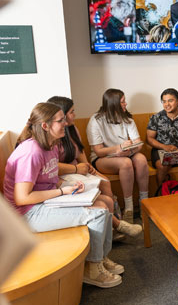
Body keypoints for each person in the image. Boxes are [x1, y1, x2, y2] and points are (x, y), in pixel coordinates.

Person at [3, 102, 123, 288]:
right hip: (26, 213)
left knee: (104, 203)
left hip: (42, 201)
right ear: (45, 126)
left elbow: (47, 177)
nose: (66, 123)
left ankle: (100, 259)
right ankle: (93, 269)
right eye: (61, 121)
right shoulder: (31, 152)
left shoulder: (51, 145)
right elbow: (22, 198)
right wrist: (61, 191)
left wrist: (68, 185)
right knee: (98, 213)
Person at [48, 96, 142, 239]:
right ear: (61, 114)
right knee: (103, 190)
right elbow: (52, 166)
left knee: (105, 182)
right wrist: (77, 169)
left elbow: (80, 152)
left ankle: (111, 227)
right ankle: (116, 225)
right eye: (72, 112)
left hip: (78, 169)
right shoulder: (51, 136)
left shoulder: (72, 129)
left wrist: (90, 169)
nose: (74, 115)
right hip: (66, 174)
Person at [87, 89, 149, 223]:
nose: (126, 104)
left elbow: (138, 143)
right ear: (113, 104)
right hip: (103, 158)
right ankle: (129, 207)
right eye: (123, 102)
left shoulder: (127, 118)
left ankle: (145, 202)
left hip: (126, 153)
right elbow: (98, 151)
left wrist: (129, 151)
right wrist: (118, 149)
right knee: (125, 163)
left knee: (142, 160)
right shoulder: (96, 120)